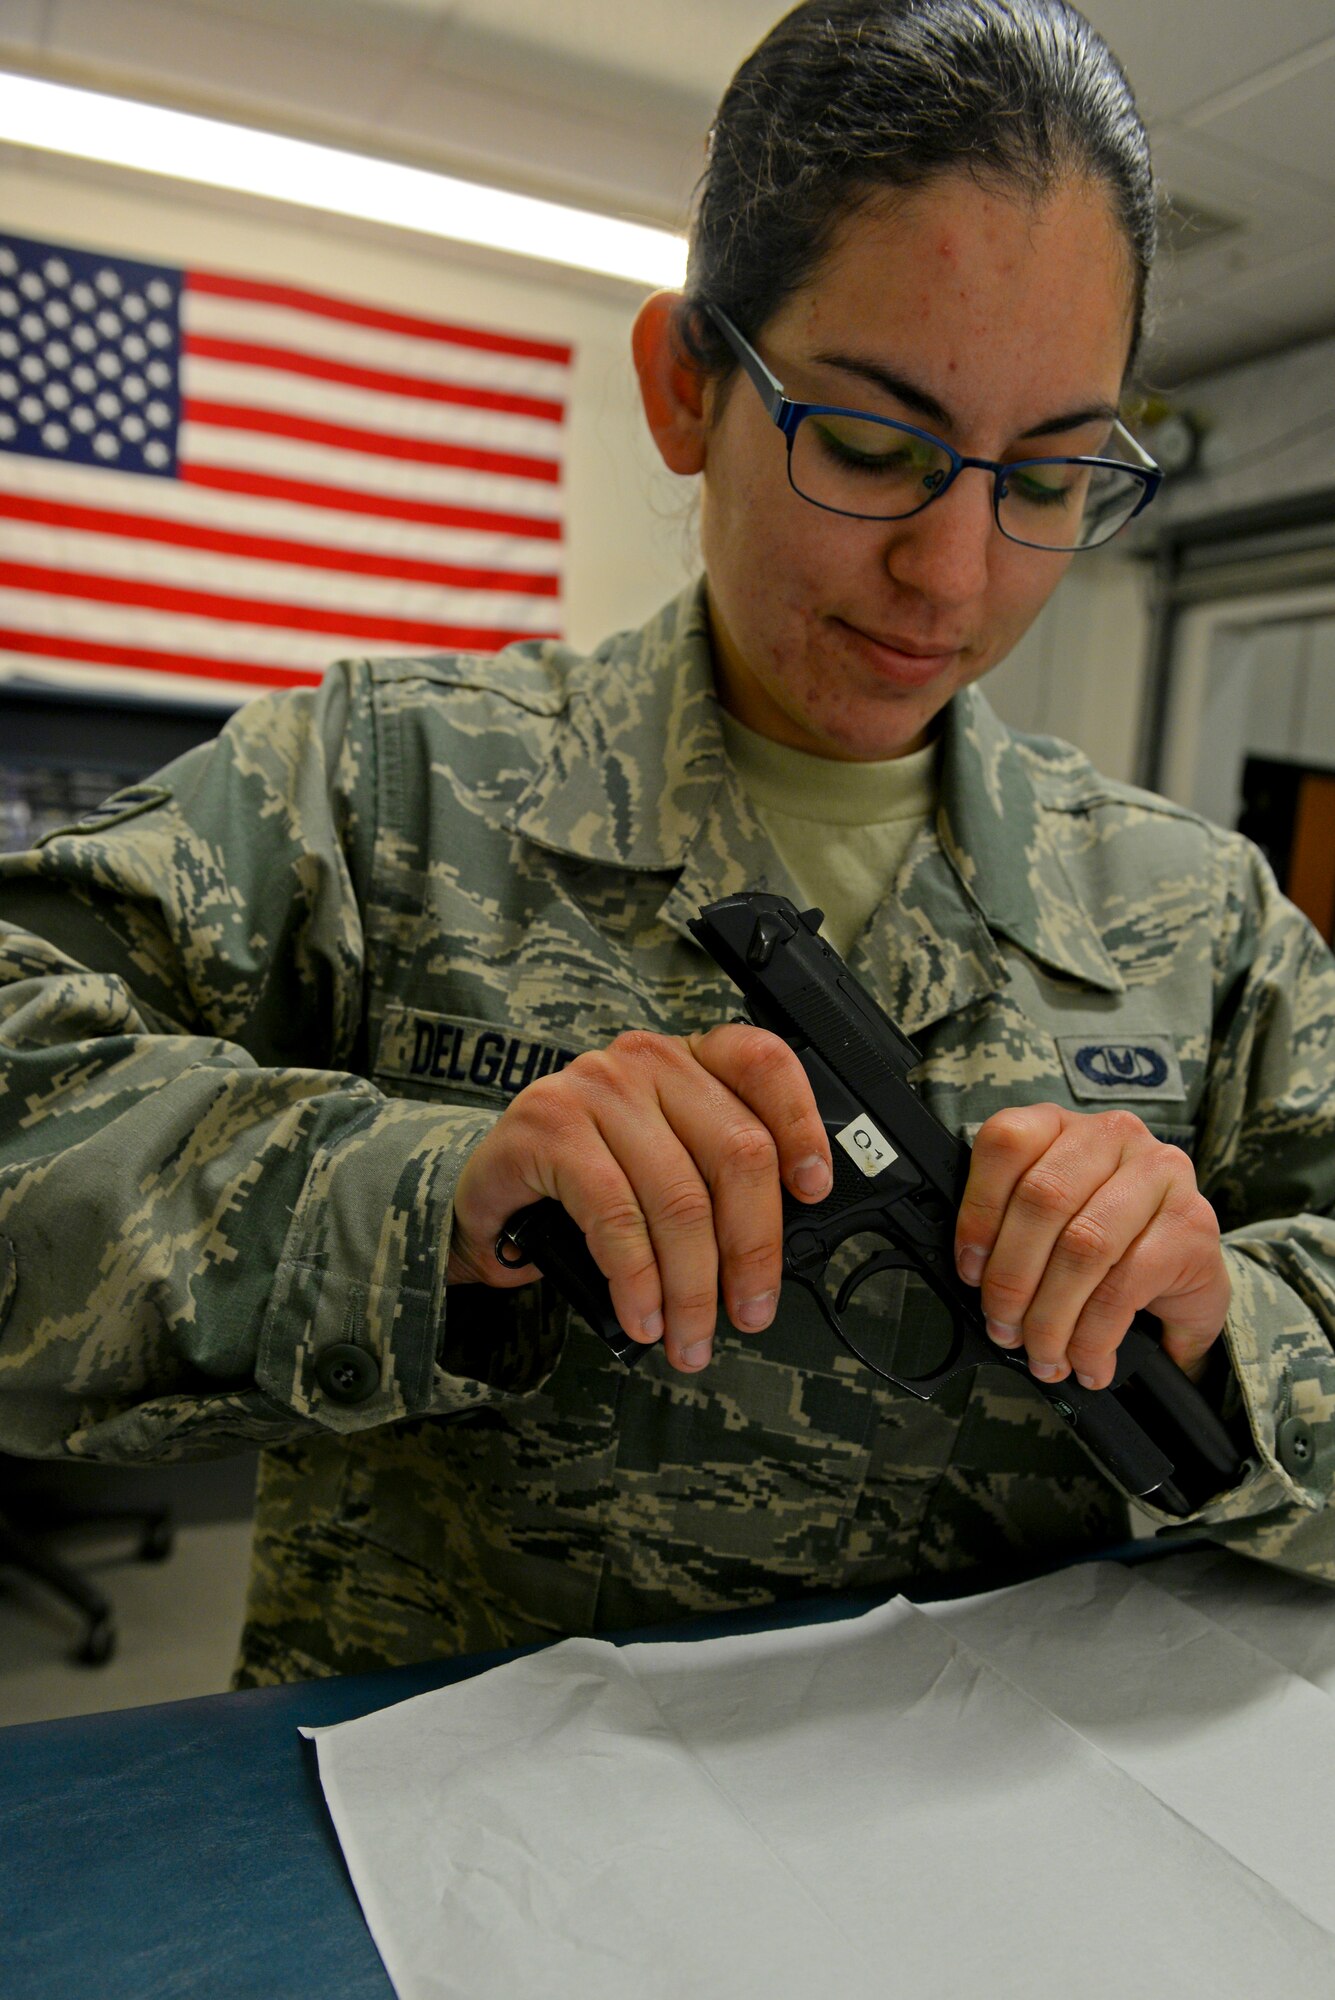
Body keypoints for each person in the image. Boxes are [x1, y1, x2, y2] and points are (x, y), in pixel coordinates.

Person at [0, 0, 1332, 1689]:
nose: (957, 573)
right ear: (686, 386)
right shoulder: (383, 794)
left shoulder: (1195, 917)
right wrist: (429, 1195)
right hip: (459, 1879)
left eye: (1052, 479)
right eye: (871, 446)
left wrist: (1231, 1328)